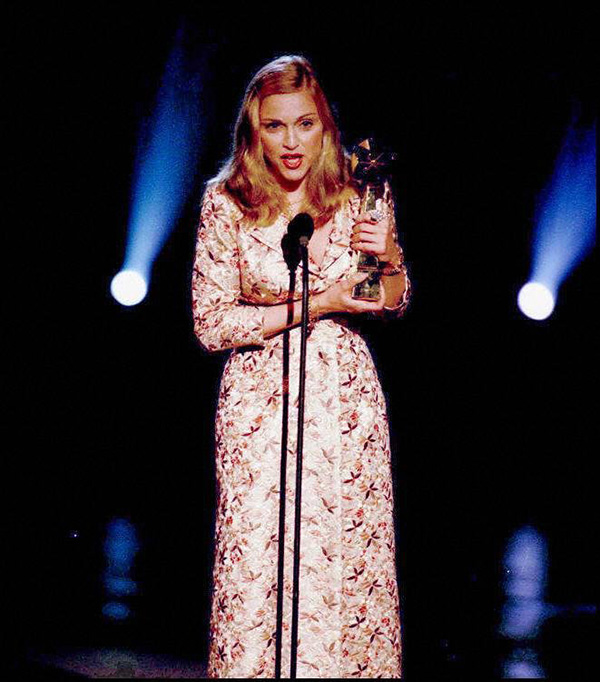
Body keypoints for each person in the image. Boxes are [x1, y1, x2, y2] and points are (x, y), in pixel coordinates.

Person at [192, 55, 410, 679]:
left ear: (325, 126)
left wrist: (389, 258)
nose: (292, 141)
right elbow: (212, 323)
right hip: (258, 405)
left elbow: (387, 301)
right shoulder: (226, 203)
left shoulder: (360, 192)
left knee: (342, 562)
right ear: (253, 131)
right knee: (257, 563)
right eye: (276, 126)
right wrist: (320, 302)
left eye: (305, 123)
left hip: (343, 407)